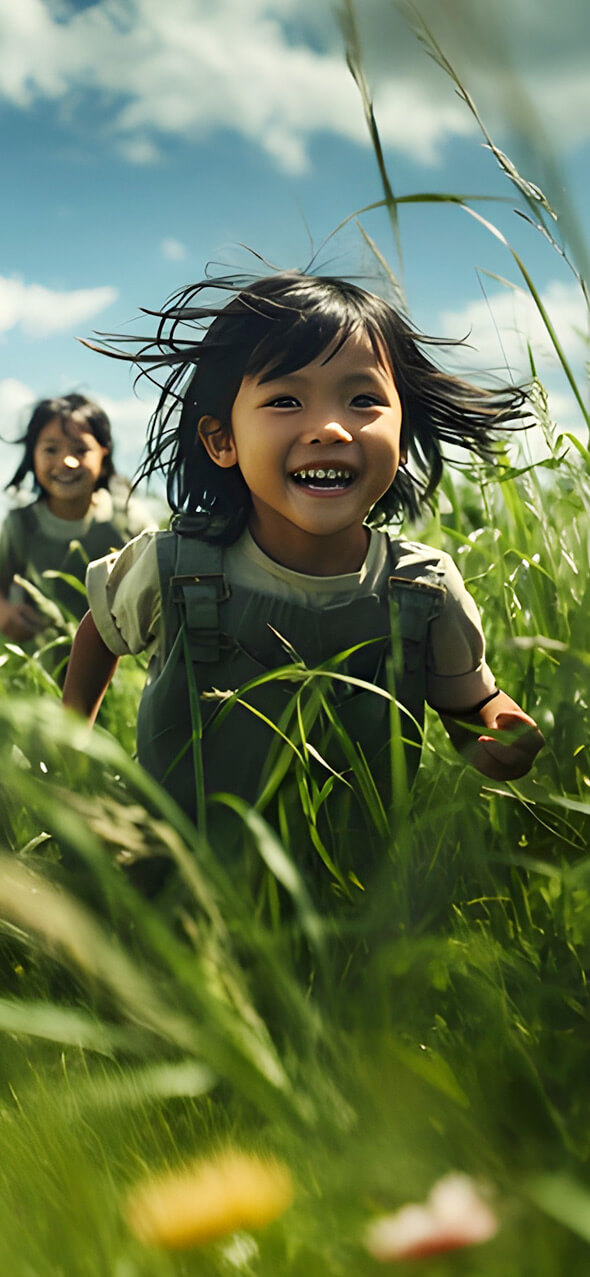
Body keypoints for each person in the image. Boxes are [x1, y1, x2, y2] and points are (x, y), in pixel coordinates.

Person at [62, 272, 544, 827]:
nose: (331, 428)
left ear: (404, 439)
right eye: (286, 400)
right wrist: (74, 747)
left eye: (363, 399)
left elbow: (468, 712)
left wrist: (498, 729)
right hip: (178, 881)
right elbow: (99, 630)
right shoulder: (171, 566)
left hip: (357, 893)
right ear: (223, 441)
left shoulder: (424, 589)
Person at [0, 393, 155, 641]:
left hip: (125, 669)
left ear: (103, 457)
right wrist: (5, 614)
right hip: (43, 671)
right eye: (51, 449)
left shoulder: (127, 518)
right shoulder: (21, 527)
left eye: (80, 450)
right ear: (32, 456)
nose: (67, 461)